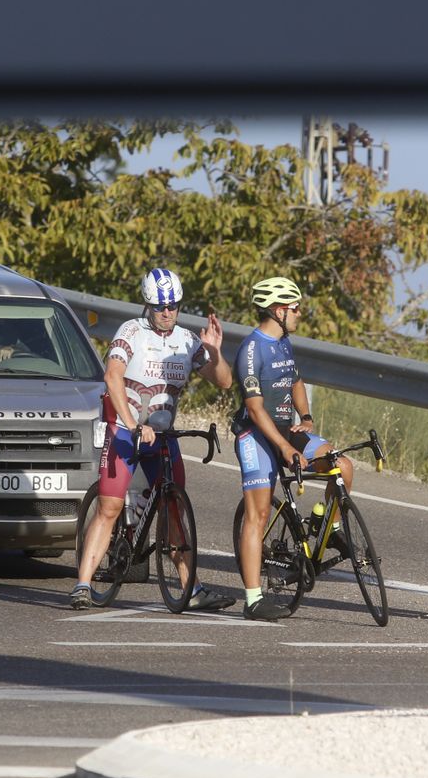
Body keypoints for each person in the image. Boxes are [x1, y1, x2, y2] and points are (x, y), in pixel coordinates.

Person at [71, 267, 236, 611]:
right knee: (110, 507)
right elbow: (112, 377)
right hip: (125, 430)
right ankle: (83, 584)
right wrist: (131, 424)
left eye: (173, 306)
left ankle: (191, 588)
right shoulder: (131, 332)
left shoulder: (188, 341)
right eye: (161, 307)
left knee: (174, 509)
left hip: (161, 435)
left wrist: (215, 353)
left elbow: (224, 383)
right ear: (148, 305)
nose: (167, 313)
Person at [232, 276, 353, 622]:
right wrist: (285, 448)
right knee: (257, 516)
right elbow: (255, 410)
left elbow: (296, 380)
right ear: (278, 310)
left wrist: (307, 417)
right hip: (255, 434)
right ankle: (253, 600)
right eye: (296, 308)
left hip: (287, 428)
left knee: (341, 466)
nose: (301, 313)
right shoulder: (251, 350)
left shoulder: (284, 341)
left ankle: (327, 524)